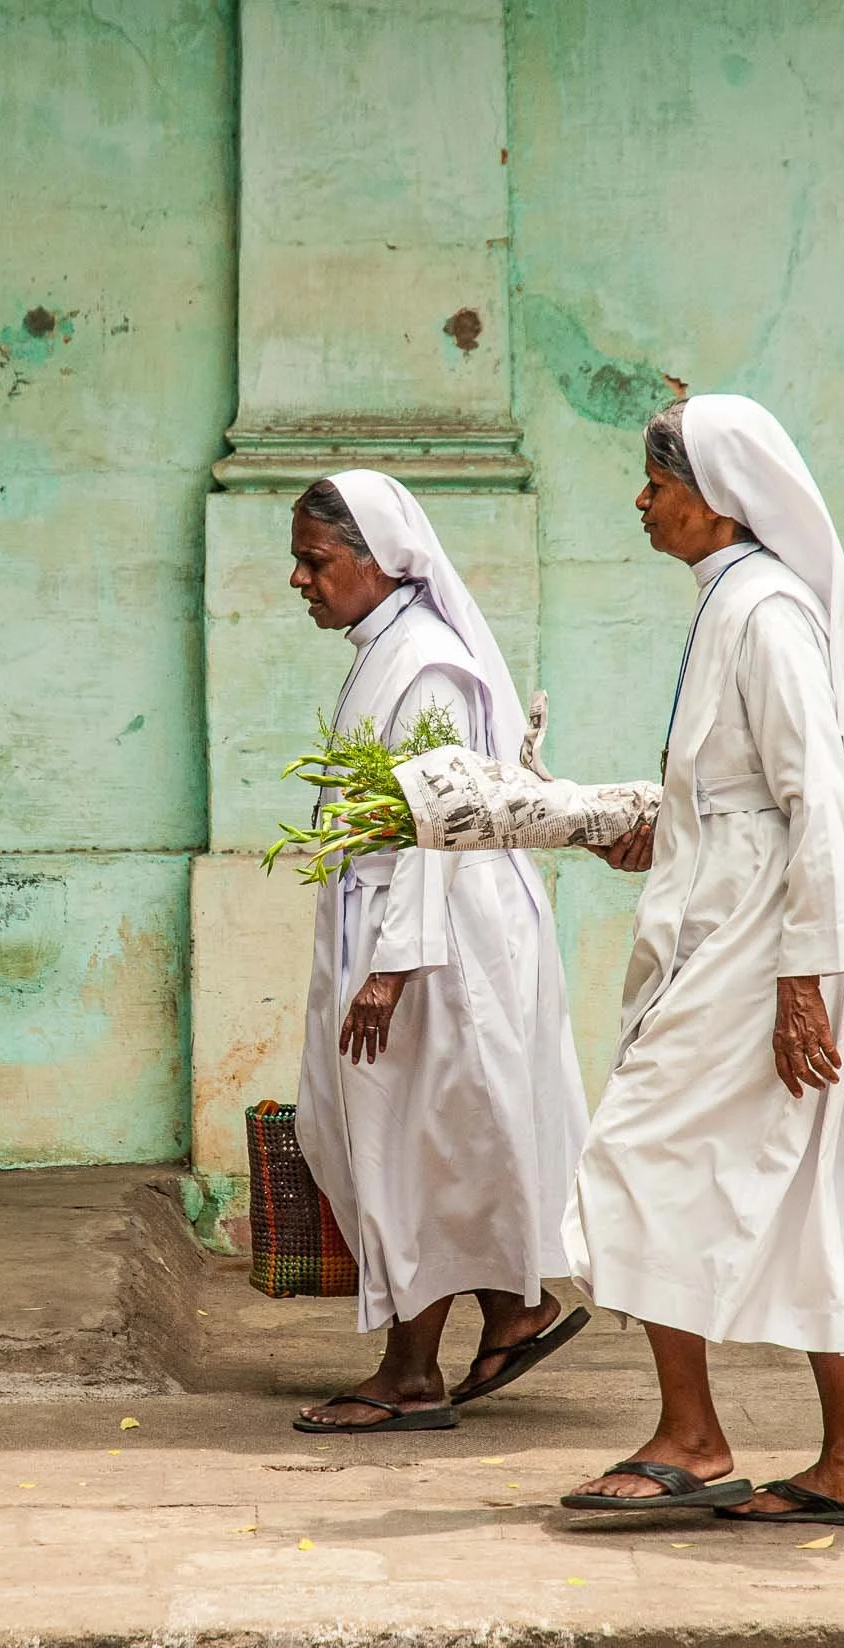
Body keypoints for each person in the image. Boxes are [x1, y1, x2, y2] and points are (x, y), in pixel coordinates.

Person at [559, 396, 844, 1524]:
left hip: (770, 942)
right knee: (806, 1187)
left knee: (633, 1152)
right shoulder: (729, 603)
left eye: (654, 481)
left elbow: (814, 800)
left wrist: (800, 981)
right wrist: (663, 827)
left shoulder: (768, 612)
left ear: (715, 494)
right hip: (746, 924)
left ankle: (690, 1433)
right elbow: (738, 793)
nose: (641, 501)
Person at [285, 470, 593, 1435]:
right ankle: (510, 1310)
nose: (300, 580)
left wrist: (392, 964)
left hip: (436, 943)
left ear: (378, 561)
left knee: (408, 1143)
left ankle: (410, 1372)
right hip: (403, 930)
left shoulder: (423, 665)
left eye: (315, 560)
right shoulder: (386, 649)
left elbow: (440, 823)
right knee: (439, 1137)